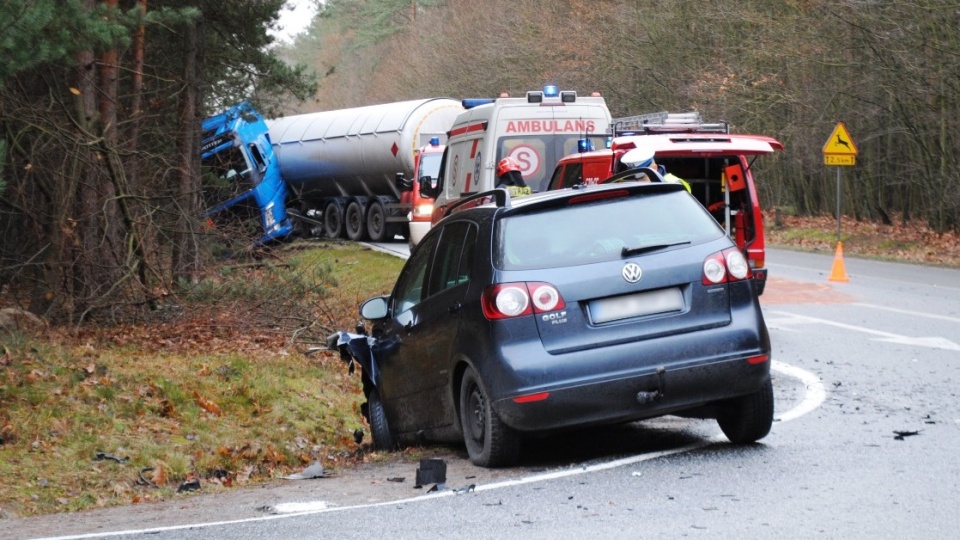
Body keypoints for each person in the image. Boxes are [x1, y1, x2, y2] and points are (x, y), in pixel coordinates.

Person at [618, 147, 691, 193]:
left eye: (642, 177)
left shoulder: (675, 185)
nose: (638, 181)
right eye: (635, 178)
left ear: (654, 168)